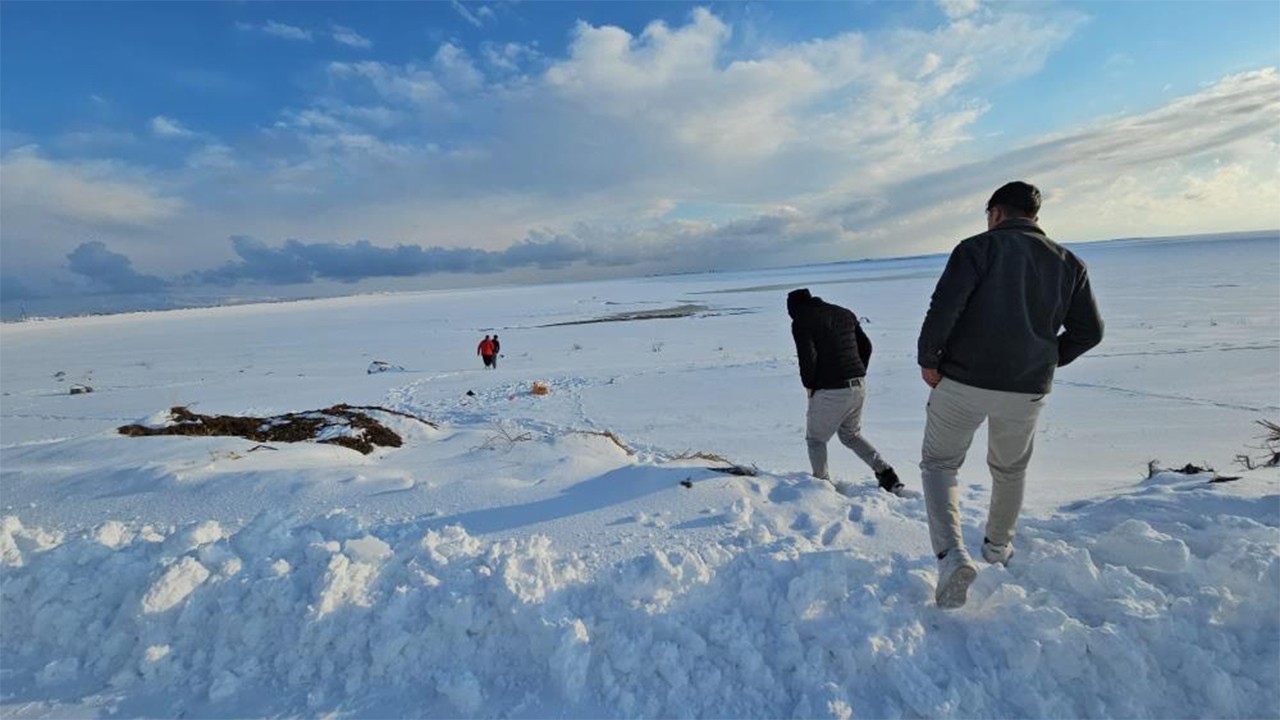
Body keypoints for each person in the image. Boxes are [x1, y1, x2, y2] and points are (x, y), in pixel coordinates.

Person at [917, 181, 1104, 609]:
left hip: (963, 381)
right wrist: (1047, 359)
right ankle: (998, 549)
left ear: (997, 213)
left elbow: (944, 308)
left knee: (940, 464)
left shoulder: (975, 250)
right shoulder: (1069, 263)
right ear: (1034, 217)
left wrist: (930, 358)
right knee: (1009, 469)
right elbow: (1090, 332)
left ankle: (951, 557)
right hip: (1026, 389)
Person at [788, 288, 902, 495]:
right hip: (858, 386)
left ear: (794, 308)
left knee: (816, 440)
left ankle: (821, 487)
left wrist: (810, 386)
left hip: (831, 389)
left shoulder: (802, 320)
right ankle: (887, 474)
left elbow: (807, 357)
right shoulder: (844, 313)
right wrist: (857, 371)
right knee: (851, 435)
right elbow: (866, 346)